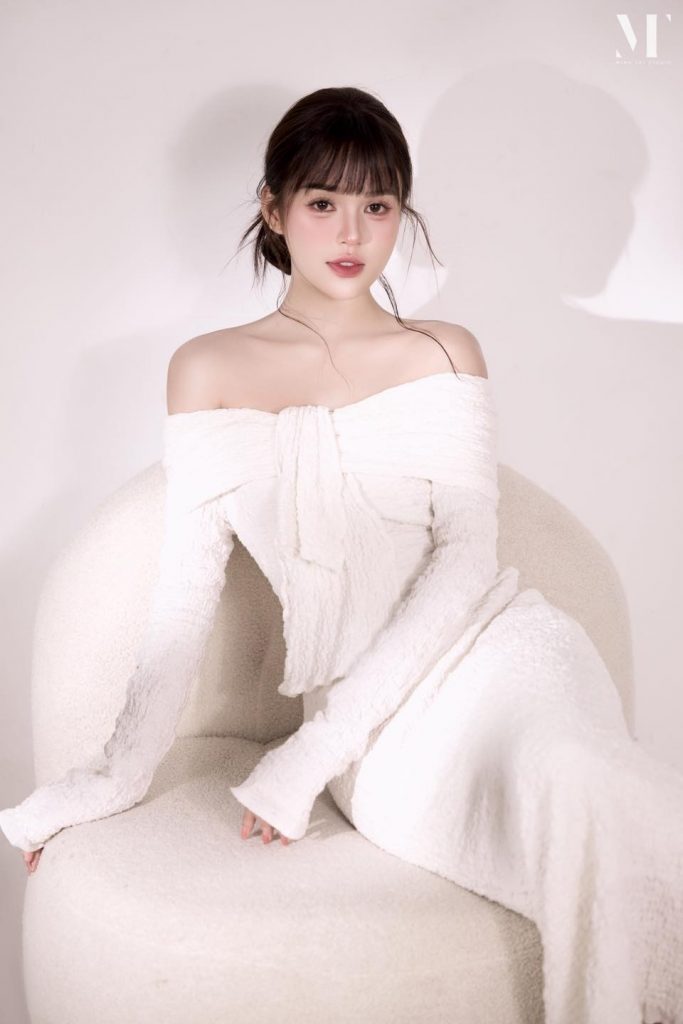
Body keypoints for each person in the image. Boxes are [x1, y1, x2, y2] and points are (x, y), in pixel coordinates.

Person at [1, 85, 681, 1024]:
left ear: (402, 212)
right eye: (322, 201)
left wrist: (309, 755)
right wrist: (110, 776)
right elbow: (186, 590)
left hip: (502, 654)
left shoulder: (443, 351)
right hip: (375, 725)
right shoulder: (206, 367)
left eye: (378, 203)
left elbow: (464, 561)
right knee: (579, 809)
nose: (352, 232)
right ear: (274, 210)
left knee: (581, 774)